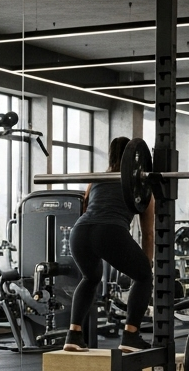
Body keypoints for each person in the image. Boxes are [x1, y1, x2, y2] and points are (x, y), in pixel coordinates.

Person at [64, 136, 154, 353]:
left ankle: (74, 336)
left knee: (90, 277)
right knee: (143, 277)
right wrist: (146, 266)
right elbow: (148, 233)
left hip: (79, 232)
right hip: (110, 231)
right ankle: (131, 336)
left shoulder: (95, 180)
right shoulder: (141, 185)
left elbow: (88, 209)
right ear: (135, 158)